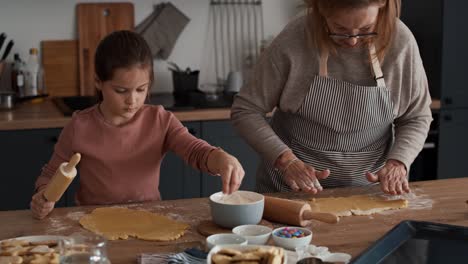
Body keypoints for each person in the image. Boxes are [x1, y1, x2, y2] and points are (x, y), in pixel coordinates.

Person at [31, 30, 245, 219]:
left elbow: (195, 151)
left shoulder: (160, 120)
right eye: (121, 91)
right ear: (98, 81)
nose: (132, 100)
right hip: (93, 222)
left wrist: (221, 158)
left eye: (141, 89)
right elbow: (50, 174)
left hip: (149, 217)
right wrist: (43, 196)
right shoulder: (79, 127)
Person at [231, 0, 432, 195]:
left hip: (368, 193)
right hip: (292, 190)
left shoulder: (400, 41)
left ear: (384, 8)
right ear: (320, 11)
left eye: (366, 29)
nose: (353, 40)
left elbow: (417, 116)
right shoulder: (295, 38)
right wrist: (285, 160)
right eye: (340, 29)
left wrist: (398, 162)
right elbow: (246, 110)